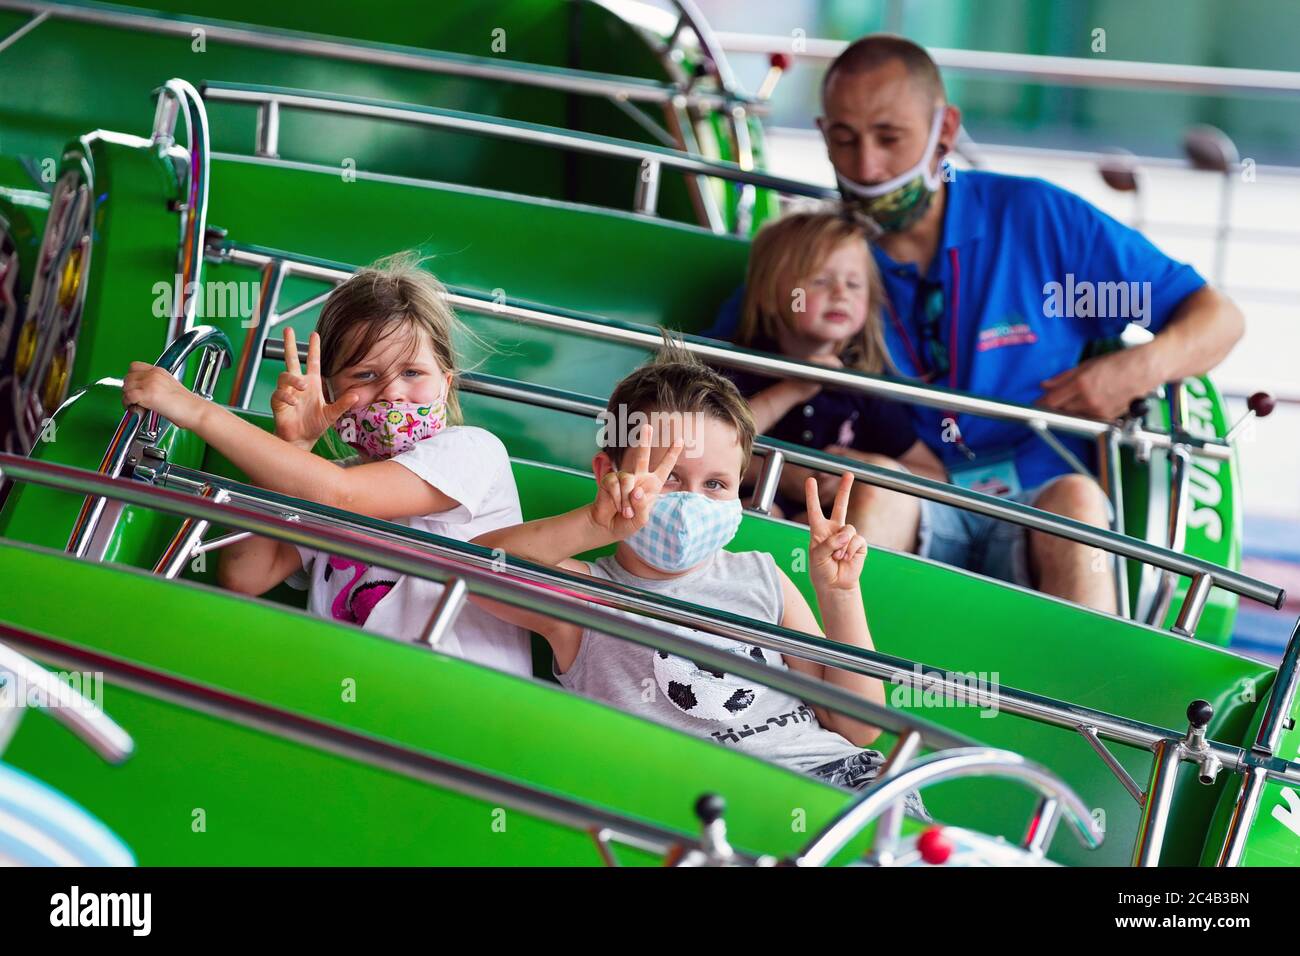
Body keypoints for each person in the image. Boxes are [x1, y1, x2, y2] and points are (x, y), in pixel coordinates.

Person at [708, 35, 1245, 612]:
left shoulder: (1038, 218)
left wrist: (1127, 371)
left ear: (944, 128)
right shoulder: (815, 260)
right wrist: (784, 471)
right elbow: (713, 413)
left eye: (890, 138)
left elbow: (1218, 319)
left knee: (1080, 508)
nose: (866, 166)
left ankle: (1089, 699)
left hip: (1037, 495)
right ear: (823, 135)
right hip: (903, 499)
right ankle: (836, 695)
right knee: (869, 488)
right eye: (844, 139)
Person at [472, 342, 928, 814]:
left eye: (715, 484)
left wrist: (840, 594)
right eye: (668, 477)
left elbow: (857, 726)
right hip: (710, 812)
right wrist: (593, 523)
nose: (692, 501)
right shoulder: (589, 597)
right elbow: (475, 570)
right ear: (609, 472)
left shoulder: (762, 577)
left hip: (842, 783)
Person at [121, 253, 531, 676]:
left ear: (445, 384)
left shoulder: (474, 451)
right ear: (331, 390)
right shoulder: (327, 482)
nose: (392, 392)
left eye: (412, 372)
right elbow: (245, 574)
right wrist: (294, 445)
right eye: (366, 376)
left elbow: (344, 496)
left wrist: (195, 410)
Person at [721, 208, 950, 556]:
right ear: (769, 295)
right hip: (756, 509)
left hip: (837, 535)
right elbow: (709, 446)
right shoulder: (736, 369)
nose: (841, 293)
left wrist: (858, 467)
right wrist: (792, 394)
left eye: (854, 284)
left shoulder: (862, 389)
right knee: (762, 513)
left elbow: (933, 475)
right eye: (820, 281)